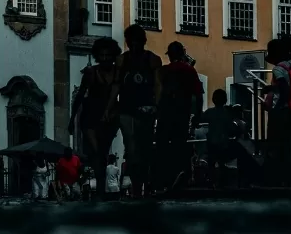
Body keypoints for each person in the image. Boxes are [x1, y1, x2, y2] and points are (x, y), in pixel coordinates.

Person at [69, 36, 121, 198]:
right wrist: (72, 119)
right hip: (91, 116)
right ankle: (100, 190)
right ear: (97, 56)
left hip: (109, 117)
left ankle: (100, 188)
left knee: (103, 152)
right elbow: (79, 97)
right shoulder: (91, 73)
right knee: (97, 152)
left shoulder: (117, 73)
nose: (105, 59)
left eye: (108, 55)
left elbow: (118, 93)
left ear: (113, 56)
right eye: (102, 55)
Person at [117, 24, 162, 198]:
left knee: (144, 148)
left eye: (137, 42)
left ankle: (144, 184)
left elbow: (158, 85)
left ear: (143, 42)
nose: (134, 45)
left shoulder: (152, 59)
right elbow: (117, 84)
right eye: (131, 42)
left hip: (146, 109)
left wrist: (156, 106)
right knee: (132, 148)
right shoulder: (122, 60)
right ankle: (137, 187)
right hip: (127, 109)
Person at [156, 40, 203, 190]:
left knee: (162, 147)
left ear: (169, 56)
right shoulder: (189, 70)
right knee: (180, 145)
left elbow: (157, 93)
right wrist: (197, 115)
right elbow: (198, 94)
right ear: (183, 54)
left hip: (164, 114)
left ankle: (162, 180)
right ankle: (181, 176)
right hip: (182, 113)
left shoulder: (163, 71)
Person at [263, 38, 291, 187]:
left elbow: (284, 90)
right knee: (286, 146)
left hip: (281, 111)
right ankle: (287, 178)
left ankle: (274, 178)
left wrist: (276, 108)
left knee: (274, 145)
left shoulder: (278, 69)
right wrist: (271, 89)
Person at [200, 89, 239, 187]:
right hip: (223, 142)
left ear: (213, 99)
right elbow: (231, 127)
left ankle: (211, 182)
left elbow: (202, 118)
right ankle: (221, 182)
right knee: (222, 163)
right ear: (225, 100)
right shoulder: (227, 113)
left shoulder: (210, 112)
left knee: (211, 163)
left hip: (212, 141)